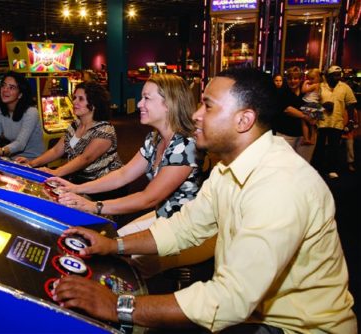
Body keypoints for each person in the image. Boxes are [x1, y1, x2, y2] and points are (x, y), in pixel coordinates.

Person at [51, 68, 357, 333]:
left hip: (298, 327)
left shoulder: (280, 185)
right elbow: (184, 227)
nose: (196, 114)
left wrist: (119, 305)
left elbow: (230, 299)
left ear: (244, 120)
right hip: (254, 313)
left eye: (208, 106)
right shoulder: (228, 168)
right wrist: (113, 244)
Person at [49, 73, 213, 278]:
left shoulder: (185, 145)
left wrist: (94, 206)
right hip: (166, 216)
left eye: (147, 98)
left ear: (169, 104)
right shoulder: (154, 138)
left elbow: (148, 197)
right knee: (112, 241)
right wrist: (75, 188)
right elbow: (123, 174)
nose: (139, 103)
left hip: (191, 230)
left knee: (122, 265)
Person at [16, 81, 123, 199]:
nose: (74, 102)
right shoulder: (75, 125)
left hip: (104, 185)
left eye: (81, 99)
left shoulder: (105, 130)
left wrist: (56, 172)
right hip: (78, 179)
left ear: (94, 104)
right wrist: (31, 164)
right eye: (75, 98)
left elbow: (85, 158)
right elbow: (56, 150)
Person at [0, 71, 44, 159]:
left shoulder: (31, 112)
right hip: (13, 160)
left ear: (20, 94)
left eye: (11, 87)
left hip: (34, 162)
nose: (5, 90)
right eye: (3, 85)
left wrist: (1, 151)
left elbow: (20, 144)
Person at [315, 65, 358, 179]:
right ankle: (318, 169)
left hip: (337, 121)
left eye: (339, 75)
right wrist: (322, 106)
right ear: (328, 76)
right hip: (321, 122)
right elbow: (311, 104)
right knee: (319, 147)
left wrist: (351, 120)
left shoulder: (344, 87)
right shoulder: (320, 86)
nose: (337, 77)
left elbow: (351, 103)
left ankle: (331, 169)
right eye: (334, 75)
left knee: (334, 147)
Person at [273, 66, 316, 162]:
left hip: (305, 136)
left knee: (304, 164)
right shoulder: (282, 92)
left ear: (301, 79)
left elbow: (315, 105)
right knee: (285, 164)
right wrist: (305, 116)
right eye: (289, 78)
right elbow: (287, 109)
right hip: (286, 134)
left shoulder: (306, 92)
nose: (292, 81)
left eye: (295, 78)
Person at [300, 68, 324, 145]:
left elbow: (303, 90)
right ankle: (312, 139)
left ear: (318, 78)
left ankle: (306, 138)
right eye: (309, 78)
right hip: (316, 105)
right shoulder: (320, 86)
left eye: (312, 78)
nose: (310, 80)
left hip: (310, 104)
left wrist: (305, 82)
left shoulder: (314, 85)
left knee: (304, 121)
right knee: (313, 125)